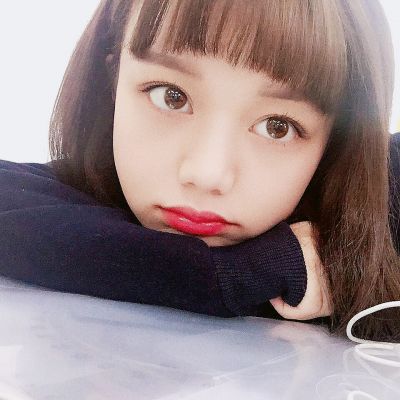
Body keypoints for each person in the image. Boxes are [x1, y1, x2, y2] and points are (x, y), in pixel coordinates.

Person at [0, 0, 399, 341]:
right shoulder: (77, 188)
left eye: (277, 127)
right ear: (113, 84)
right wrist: (252, 272)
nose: (207, 174)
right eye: (171, 97)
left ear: (336, 147)